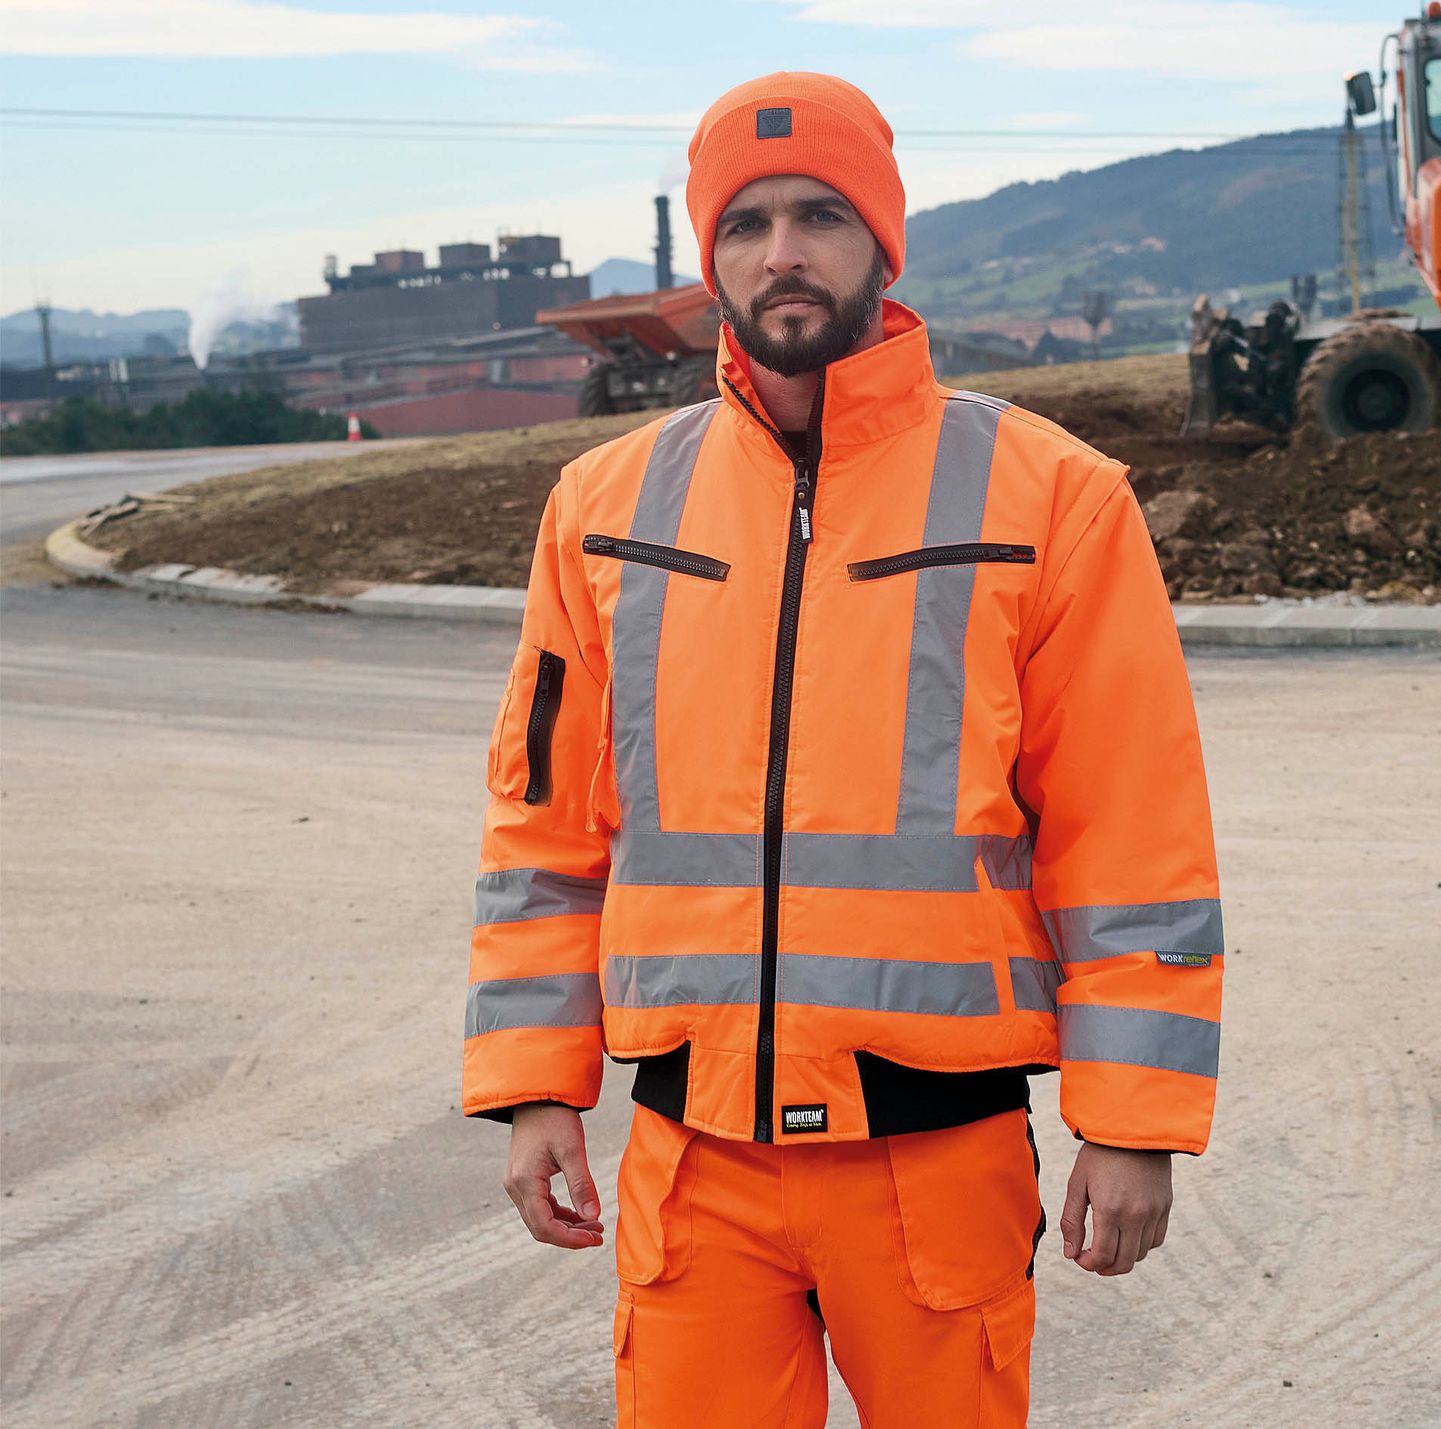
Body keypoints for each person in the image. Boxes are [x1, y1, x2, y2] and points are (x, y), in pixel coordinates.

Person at [462, 71, 1223, 1428]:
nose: (783, 252)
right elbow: (546, 828)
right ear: (711, 258)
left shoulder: (1053, 497)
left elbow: (1131, 826)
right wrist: (532, 1084)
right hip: (697, 1161)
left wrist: (1135, 1114)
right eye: (746, 224)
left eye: (820, 213)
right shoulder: (604, 506)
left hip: (937, 1157)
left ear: (883, 240)